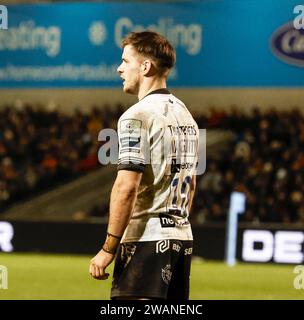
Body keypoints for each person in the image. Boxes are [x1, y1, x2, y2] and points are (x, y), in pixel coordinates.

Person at [89, 31, 199, 300]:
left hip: (146, 240)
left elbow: (126, 187)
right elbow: (192, 183)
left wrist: (108, 247)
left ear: (146, 66)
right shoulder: (187, 117)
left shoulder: (136, 116)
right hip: (181, 239)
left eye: (125, 61)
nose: (119, 68)